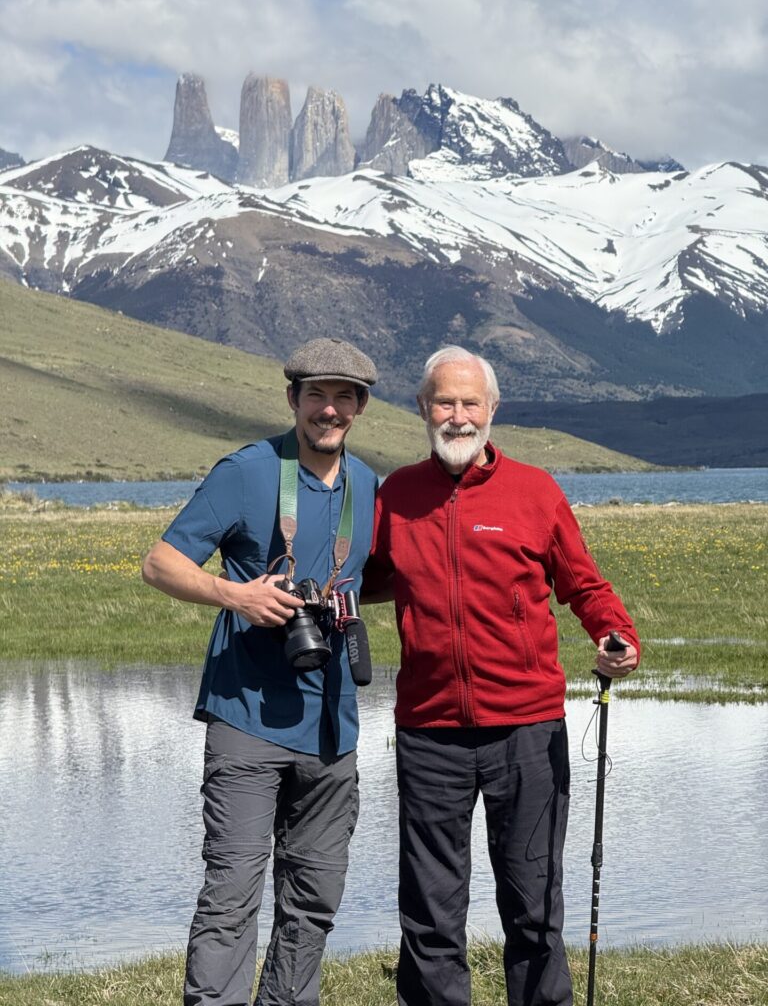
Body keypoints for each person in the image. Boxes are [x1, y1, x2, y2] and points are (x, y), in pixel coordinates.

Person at [363, 345, 640, 1006]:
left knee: (533, 903)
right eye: (444, 402)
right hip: (429, 730)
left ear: (491, 410)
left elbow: (584, 585)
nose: (457, 416)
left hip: (527, 729)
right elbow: (363, 577)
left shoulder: (534, 491)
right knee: (429, 911)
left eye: (470, 403)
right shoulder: (396, 494)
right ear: (422, 408)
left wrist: (617, 635)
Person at [142, 337, 379, 1006]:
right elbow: (160, 564)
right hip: (245, 719)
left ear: (360, 407)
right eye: (316, 395)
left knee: (314, 899)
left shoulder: (368, 484)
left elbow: (375, 575)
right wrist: (237, 596)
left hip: (332, 725)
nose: (328, 409)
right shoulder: (247, 471)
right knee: (231, 894)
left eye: (343, 397)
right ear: (292, 399)